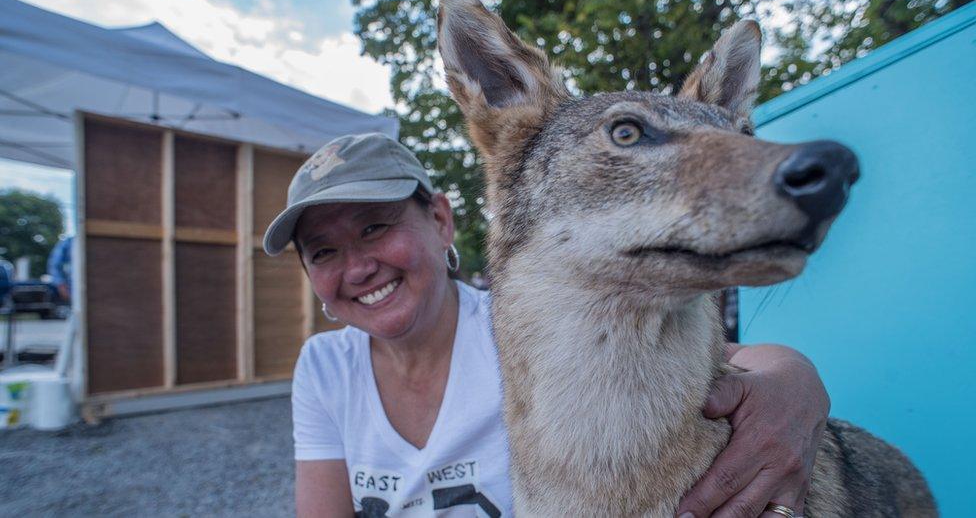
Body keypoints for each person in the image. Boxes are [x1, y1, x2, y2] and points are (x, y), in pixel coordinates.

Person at [263, 133, 830, 518]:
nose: (358, 268)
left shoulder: (517, 326)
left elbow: (732, 363)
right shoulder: (324, 366)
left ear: (439, 220)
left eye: (374, 228)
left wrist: (797, 381)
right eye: (323, 252)